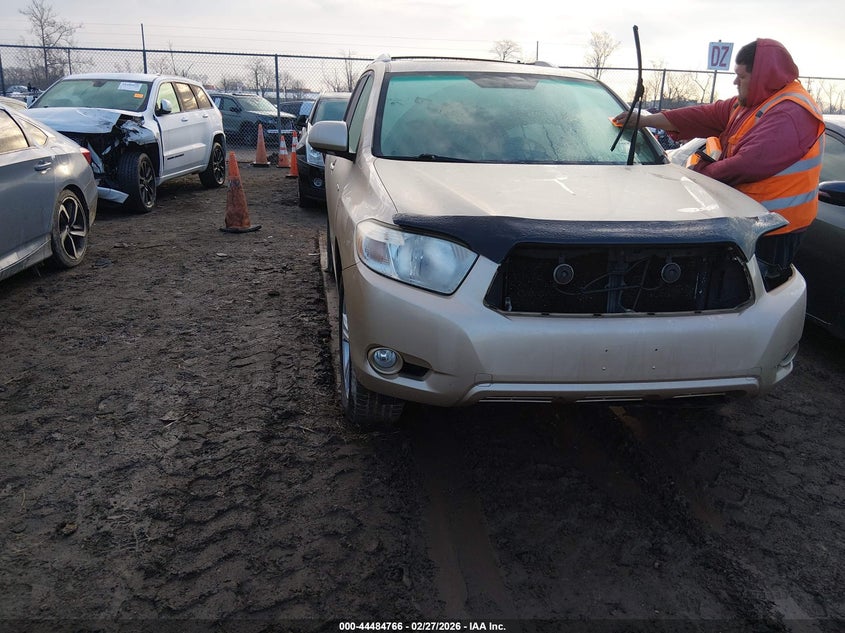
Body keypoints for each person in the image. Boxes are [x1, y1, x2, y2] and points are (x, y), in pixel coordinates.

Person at [614, 38, 825, 285]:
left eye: (741, 76)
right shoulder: (755, 102)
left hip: (773, 229)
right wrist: (646, 120)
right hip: (745, 220)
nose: (736, 82)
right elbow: (704, 115)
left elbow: (747, 164)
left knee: (751, 299)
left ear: (761, 78)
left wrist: (695, 176)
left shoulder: (791, 112)